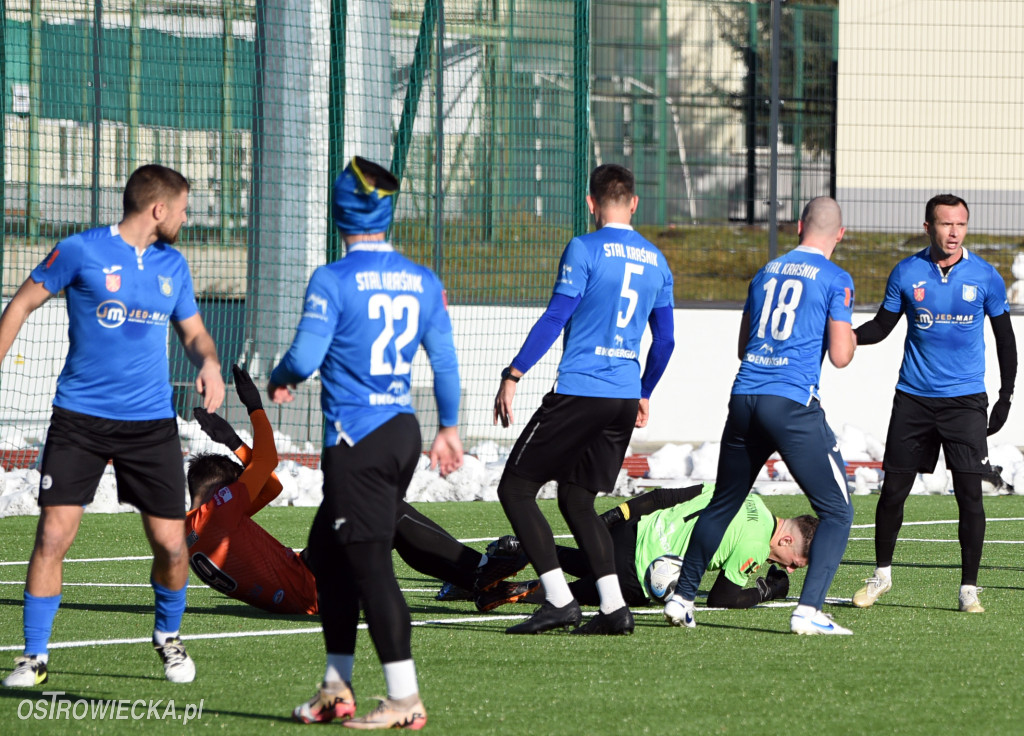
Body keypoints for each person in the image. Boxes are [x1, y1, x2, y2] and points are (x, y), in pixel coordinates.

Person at [0, 164, 224, 688]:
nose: (187, 219)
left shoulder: (174, 266)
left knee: (171, 545)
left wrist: (208, 363)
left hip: (150, 426)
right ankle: (33, 656)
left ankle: (168, 636)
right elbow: (22, 304)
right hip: (79, 418)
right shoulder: (80, 250)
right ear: (158, 209)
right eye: (184, 209)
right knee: (53, 534)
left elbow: (194, 333)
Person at [267, 156, 463, 729]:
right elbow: (445, 363)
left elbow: (304, 356)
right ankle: (336, 686)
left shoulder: (332, 278)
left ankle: (404, 698)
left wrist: (281, 377)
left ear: (338, 211)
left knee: (371, 564)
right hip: (401, 432)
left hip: (359, 440)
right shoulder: (422, 280)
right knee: (328, 558)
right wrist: (448, 428)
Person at [493, 163, 675, 636]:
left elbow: (556, 317)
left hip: (580, 390)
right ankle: (614, 610)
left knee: (514, 489)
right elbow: (667, 341)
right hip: (620, 398)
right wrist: (644, 390)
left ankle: (559, 600)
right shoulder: (657, 260)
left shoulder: (583, 247)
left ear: (591, 203)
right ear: (634, 203)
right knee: (577, 500)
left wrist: (513, 373)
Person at [664, 196, 856, 636]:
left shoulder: (765, 272)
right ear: (839, 235)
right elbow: (842, 355)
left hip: (745, 394)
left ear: (797, 228)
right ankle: (809, 610)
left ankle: (682, 597)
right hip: (790, 403)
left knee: (725, 502)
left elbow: (742, 347)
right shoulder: (835, 277)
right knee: (838, 511)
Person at [188, 394, 529, 617]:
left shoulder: (202, 525)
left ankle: (476, 583)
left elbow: (271, 486)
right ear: (221, 489)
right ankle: (481, 571)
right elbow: (269, 462)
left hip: (307, 578)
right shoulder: (219, 511)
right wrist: (251, 411)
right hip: (313, 585)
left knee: (385, 518)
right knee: (383, 506)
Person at [850, 194, 1016, 614]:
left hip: (965, 403)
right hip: (914, 400)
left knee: (970, 496)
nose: (954, 232)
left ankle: (968, 590)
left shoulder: (986, 276)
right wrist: (846, 335)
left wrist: (1006, 396)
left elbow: (1005, 340)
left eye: (961, 224)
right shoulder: (907, 272)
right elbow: (883, 326)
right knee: (893, 493)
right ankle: (881, 576)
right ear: (929, 227)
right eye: (945, 224)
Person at [478, 483, 817, 613]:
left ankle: (523, 547)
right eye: (794, 563)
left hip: (633, 529)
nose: (789, 568)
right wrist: (768, 589)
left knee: (588, 561)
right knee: (572, 594)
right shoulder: (756, 548)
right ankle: (514, 590)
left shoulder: (747, 494)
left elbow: (665, 497)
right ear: (786, 539)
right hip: (642, 574)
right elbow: (722, 599)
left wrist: (613, 516)